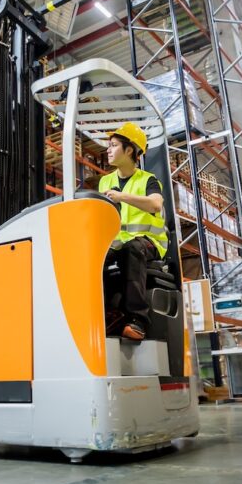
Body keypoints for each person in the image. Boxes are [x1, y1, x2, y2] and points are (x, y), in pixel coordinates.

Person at [98, 122, 168, 342]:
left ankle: (137, 320)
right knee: (91, 260)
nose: (108, 150)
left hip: (150, 244)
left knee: (133, 248)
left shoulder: (148, 180)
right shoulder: (105, 181)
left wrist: (121, 197)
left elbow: (155, 205)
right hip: (117, 244)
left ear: (129, 150)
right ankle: (102, 313)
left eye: (113, 145)